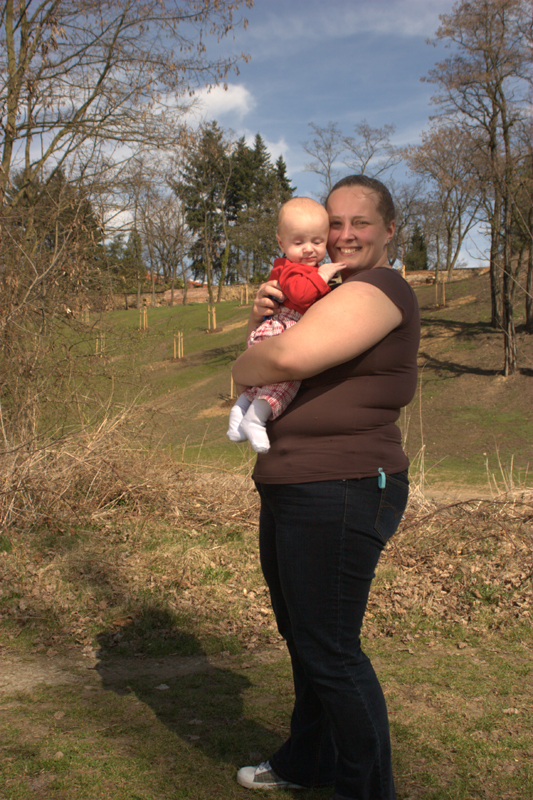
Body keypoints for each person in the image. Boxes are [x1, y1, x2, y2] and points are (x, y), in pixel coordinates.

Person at [231, 175, 420, 800]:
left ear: (389, 229)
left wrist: (244, 361)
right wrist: (260, 326)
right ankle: (307, 761)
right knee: (306, 640)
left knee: (330, 650)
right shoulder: (320, 292)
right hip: (292, 482)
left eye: (360, 222)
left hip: (342, 483)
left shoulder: (379, 288)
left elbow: (280, 362)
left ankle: (366, 789)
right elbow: (268, 358)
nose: (343, 235)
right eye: (334, 223)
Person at [227, 197, 342, 453]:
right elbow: (301, 295)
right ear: (281, 243)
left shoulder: (301, 267)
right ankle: (256, 419)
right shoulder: (292, 269)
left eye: (317, 242)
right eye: (299, 243)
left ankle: (240, 412)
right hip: (283, 327)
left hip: (276, 328)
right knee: (286, 381)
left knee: (266, 383)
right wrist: (323, 276)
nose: (309, 249)